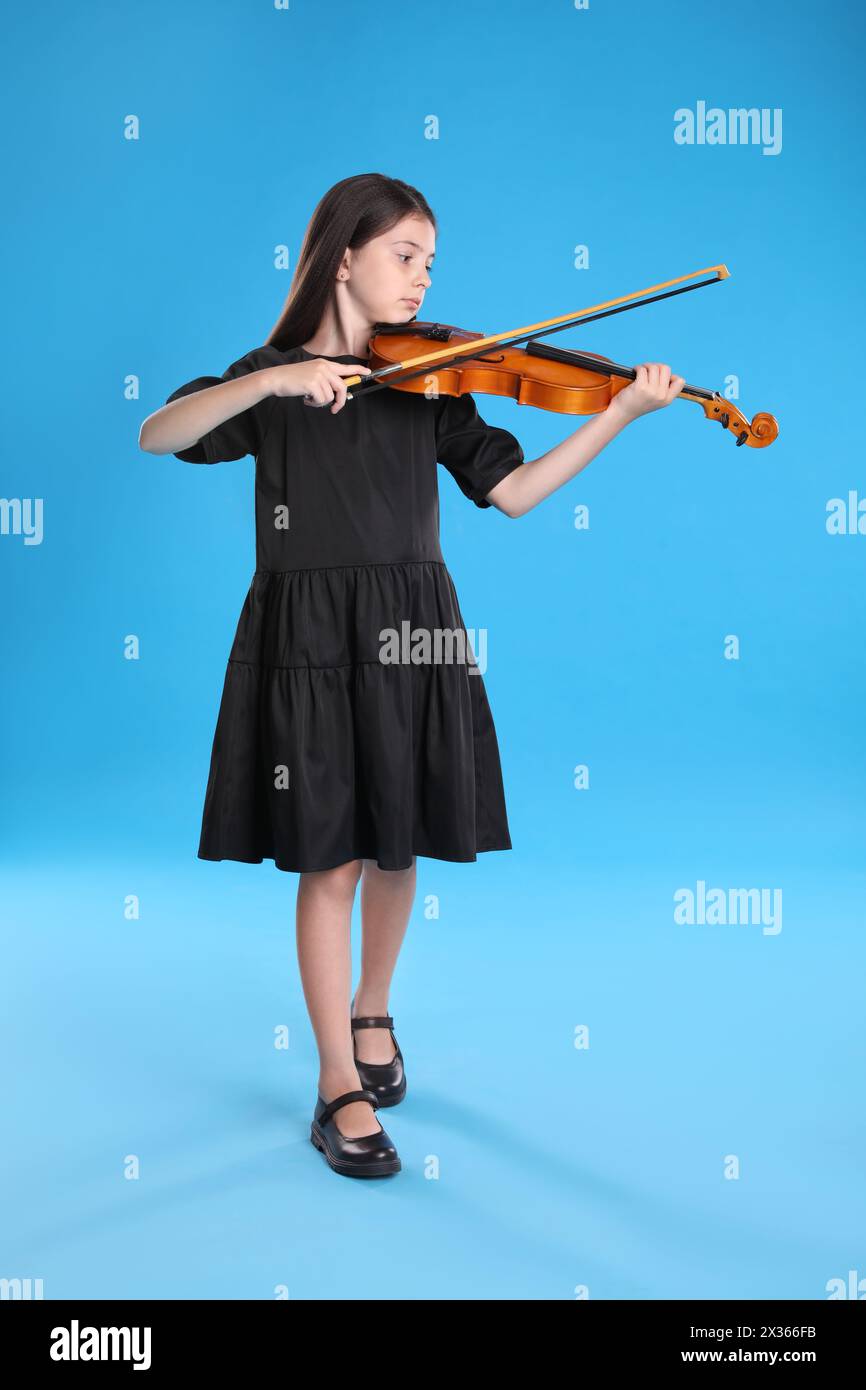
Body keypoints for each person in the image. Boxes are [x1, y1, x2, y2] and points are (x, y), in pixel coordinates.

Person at [139, 173, 684, 1179]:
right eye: (404, 256)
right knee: (329, 859)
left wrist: (618, 415)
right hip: (306, 634)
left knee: (399, 840)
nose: (422, 279)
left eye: (430, 261)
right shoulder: (266, 382)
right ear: (342, 256)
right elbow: (158, 434)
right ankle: (334, 1083)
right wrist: (270, 382)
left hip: (415, 628)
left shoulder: (432, 379)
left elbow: (513, 494)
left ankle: (374, 1008)